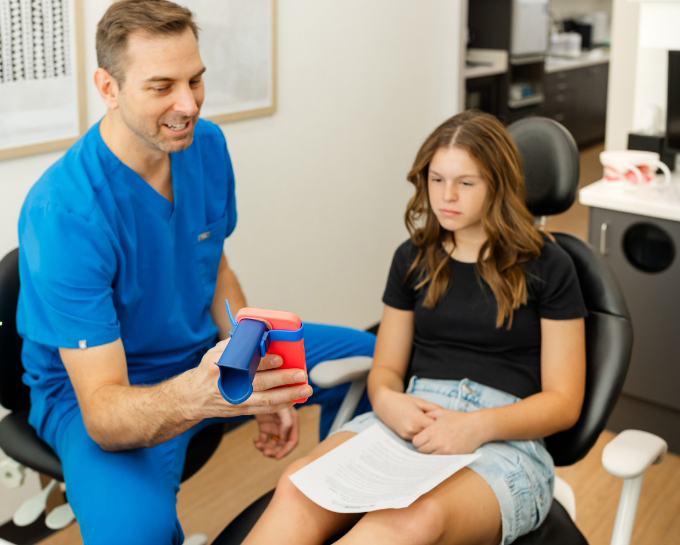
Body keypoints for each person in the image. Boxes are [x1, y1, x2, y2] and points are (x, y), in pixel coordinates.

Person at [16, 1, 374, 543]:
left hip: (201, 353)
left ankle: (344, 507)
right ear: (108, 88)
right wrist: (207, 394)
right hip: (99, 389)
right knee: (141, 535)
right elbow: (105, 413)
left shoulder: (205, 147)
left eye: (196, 80)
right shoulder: (63, 212)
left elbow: (215, 268)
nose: (188, 104)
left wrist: (251, 361)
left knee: (378, 365)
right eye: (162, 86)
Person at [242, 110, 587, 545]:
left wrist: (475, 426)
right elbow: (385, 370)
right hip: (411, 418)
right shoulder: (413, 258)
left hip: (503, 438)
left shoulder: (549, 266)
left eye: (466, 183)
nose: (447, 196)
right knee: (298, 484)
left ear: (498, 185)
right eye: (437, 179)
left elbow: (563, 402)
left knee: (408, 519)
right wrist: (389, 402)